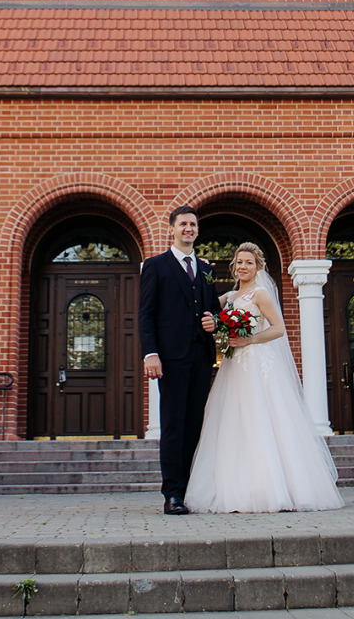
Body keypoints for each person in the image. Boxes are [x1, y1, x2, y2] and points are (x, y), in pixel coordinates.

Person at [184, 242, 344, 513]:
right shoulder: (230, 297)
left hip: (258, 363)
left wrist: (250, 339)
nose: (242, 267)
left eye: (248, 262)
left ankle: (276, 488)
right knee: (234, 422)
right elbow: (208, 308)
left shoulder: (260, 294)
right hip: (233, 367)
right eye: (238, 262)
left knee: (264, 419)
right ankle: (237, 488)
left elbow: (279, 329)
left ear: (258, 267)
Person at [138, 205, 220, 515]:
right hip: (170, 358)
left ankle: (189, 490)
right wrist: (151, 353)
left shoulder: (207, 269)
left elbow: (213, 308)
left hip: (201, 356)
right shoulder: (156, 266)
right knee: (173, 425)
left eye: (193, 224)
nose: (189, 229)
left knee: (194, 424)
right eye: (183, 224)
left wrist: (214, 319)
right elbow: (145, 313)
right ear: (172, 229)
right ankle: (172, 493)